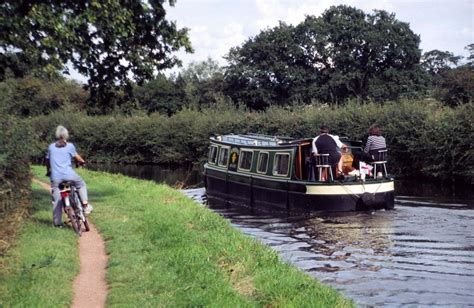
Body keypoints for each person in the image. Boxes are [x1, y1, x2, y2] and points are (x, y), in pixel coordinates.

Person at [46, 125, 92, 227]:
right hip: (69, 175)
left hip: (55, 177)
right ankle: (85, 205)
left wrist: (49, 171)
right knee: (81, 184)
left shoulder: (51, 147)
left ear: (57, 135)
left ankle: (58, 223)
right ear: (66, 135)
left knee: (56, 199)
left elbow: (48, 161)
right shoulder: (70, 146)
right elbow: (77, 158)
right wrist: (82, 162)